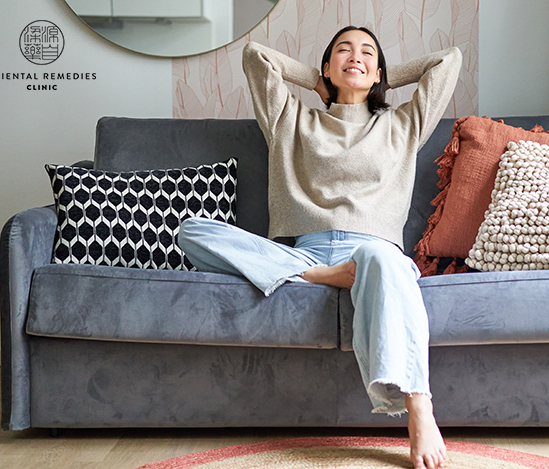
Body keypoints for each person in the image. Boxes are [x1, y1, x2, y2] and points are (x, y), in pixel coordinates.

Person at [178, 26, 461, 469]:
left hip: (372, 255)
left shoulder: (402, 125)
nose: (356, 56)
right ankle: (319, 276)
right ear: (327, 67)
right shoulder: (291, 121)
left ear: (380, 73)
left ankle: (419, 407)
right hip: (303, 256)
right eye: (343, 51)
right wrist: (318, 80)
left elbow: (449, 60)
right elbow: (256, 56)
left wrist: (377, 77)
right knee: (192, 231)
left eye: (368, 52)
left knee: (382, 259)